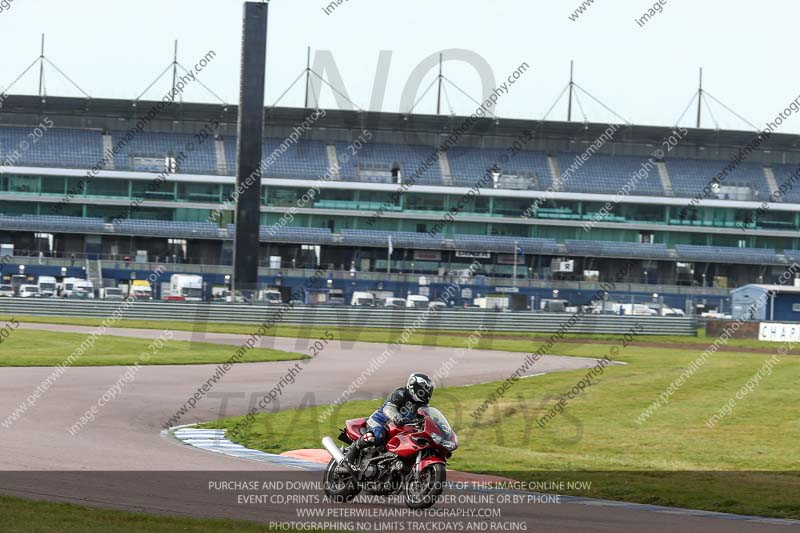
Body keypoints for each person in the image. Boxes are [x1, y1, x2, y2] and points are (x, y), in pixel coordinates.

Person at [343, 373, 434, 468]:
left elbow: (426, 416)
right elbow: (388, 408)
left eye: (428, 390)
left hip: (400, 428)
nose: (426, 392)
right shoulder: (400, 394)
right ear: (413, 386)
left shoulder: (421, 404)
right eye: (424, 389)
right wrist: (396, 417)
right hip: (380, 422)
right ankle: (354, 450)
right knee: (378, 435)